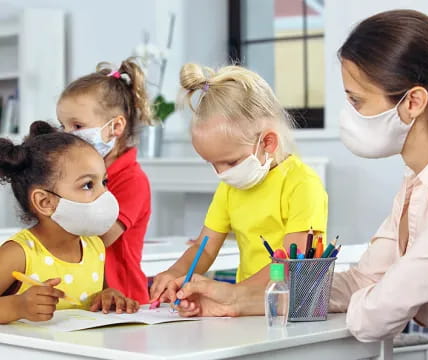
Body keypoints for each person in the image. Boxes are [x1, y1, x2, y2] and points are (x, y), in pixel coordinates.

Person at [165, 10, 428, 360]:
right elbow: (363, 282)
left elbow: (379, 314)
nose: (348, 115)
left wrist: (374, 296)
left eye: (356, 100)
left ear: (413, 102)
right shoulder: (419, 181)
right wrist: (235, 298)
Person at [149, 63, 328, 305]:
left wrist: (231, 296)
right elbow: (205, 249)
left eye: (230, 162)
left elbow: (290, 266)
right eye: (213, 164)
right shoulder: (230, 187)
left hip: (291, 308)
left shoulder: (302, 184)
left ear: (268, 142)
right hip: (246, 308)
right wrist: (174, 272)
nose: (221, 174)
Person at [0, 121, 139, 323]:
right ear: (45, 202)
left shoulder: (94, 247)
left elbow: (90, 301)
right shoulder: (19, 253)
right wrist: (18, 306)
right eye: (88, 185)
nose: (105, 194)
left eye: (104, 182)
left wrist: (107, 297)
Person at [57, 58, 152, 304]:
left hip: (123, 299)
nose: (67, 135)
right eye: (62, 126)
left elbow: (98, 238)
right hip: (87, 295)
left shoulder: (132, 181)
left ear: (116, 126)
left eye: (77, 125)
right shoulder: (75, 173)